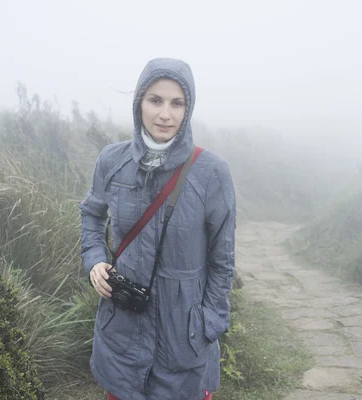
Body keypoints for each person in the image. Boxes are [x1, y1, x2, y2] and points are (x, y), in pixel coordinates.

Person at [79, 58, 237, 400]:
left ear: (188, 108)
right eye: (155, 100)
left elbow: (222, 261)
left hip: (184, 343)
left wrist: (208, 323)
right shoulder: (112, 160)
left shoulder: (211, 173)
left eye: (176, 103)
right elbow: (92, 215)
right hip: (121, 332)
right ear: (139, 104)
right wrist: (94, 260)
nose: (165, 114)